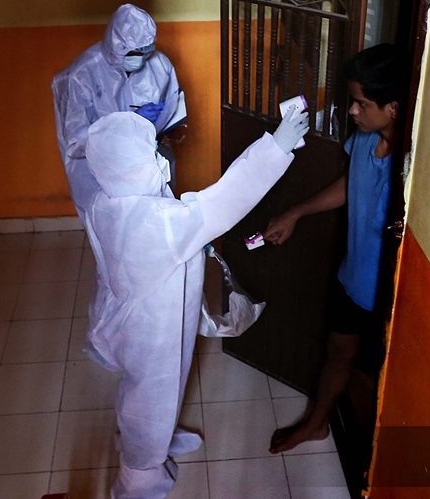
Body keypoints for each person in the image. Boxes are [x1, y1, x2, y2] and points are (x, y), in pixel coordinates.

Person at [82, 106, 310, 499]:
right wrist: (277, 146)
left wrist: (187, 243)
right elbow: (225, 199)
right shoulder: (161, 219)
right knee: (151, 396)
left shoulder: (108, 199)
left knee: (146, 391)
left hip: (135, 318)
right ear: (131, 167)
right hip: (153, 328)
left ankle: (151, 442)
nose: (161, 156)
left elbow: (168, 225)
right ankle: (138, 477)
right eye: (150, 152)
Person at [263, 43, 405, 454]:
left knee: (384, 372)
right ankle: (318, 423)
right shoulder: (364, 139)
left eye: (361, 103)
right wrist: (296, 213)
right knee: (338, 353)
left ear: (393, 108)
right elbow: (350, 185)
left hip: (390, 294)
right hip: (354, 276)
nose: (354, 111)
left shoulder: (412, 162)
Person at [52, 3, 183, 220]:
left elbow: (173, 108)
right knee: (114, 232)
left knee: (156, 223)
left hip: (148, 163)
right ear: (116, 46)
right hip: (102, 171)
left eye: (145, 50)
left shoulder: (160, 65)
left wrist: (163, 121)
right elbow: (75, 141)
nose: (139, 57)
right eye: (132, 52)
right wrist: (130, 123)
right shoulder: (83, 73)